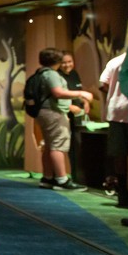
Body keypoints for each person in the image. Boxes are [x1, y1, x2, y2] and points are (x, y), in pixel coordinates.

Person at [34, 48, 93, 191]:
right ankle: (62, 179)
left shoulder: (42, 73)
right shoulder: (51, 74)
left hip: (46, 112)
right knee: (58, 145)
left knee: (49, 145)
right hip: (54, 112)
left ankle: (47, 178)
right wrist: (81, 93)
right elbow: (58, 93)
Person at [99, 48, 128, 210]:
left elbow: (103, 84)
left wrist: (115, 94)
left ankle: (123, 194)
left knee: (120, 154)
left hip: (115, 112)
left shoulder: (115, 61)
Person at [59, 50, 89, 182]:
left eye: (69, 61)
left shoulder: (74, 74)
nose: (67, 65)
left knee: (78, 146)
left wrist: (86, 102)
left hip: (78, 118)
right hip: (63, 116)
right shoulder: (57, 76)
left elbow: (79, 92)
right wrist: (70, 107)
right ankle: (64, 177)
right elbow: (57, 96)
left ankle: (80, 177)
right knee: (66, 147)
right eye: (63, 62)